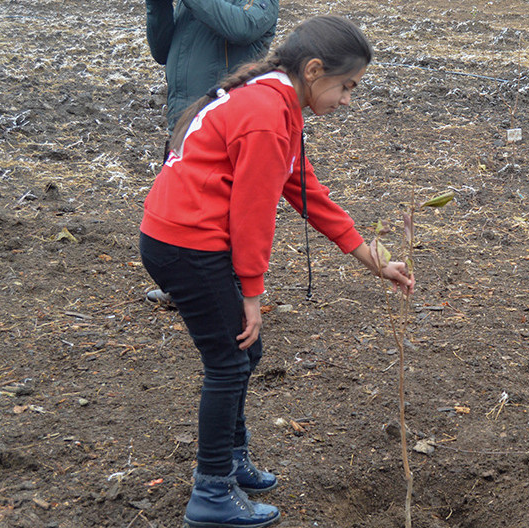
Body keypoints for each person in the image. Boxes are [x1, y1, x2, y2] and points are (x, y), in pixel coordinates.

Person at [138, 16, 415, 528]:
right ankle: (211, 492)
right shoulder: (267, 113)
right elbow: (252, 213)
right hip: (185, 243)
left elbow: (303, 188)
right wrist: (252, 294)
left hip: (187, 238)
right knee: (229, 360)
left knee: (245, 351)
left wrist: (373, 259)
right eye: (347, 86)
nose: (348, 100)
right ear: (313, 70)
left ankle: (232, 461)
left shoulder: (278, 100)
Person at [145, 0, 280, 306]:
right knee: (184, 203)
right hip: (183, 115)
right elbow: (161, 50)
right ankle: (184, 286)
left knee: (224, 208)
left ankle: (231, 291)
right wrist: (158, 6)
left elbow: (240, 28)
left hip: (226, 118)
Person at [145, 0, 279, 132]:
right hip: (181, 123)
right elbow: (162, 53)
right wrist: (158, 6)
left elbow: (244, 28)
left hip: (224, 127)